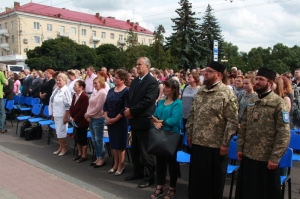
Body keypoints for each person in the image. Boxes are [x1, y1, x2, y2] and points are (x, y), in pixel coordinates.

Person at [235, 67, 290, 199]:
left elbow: (283, 133)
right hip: (249, 155)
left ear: (270, 83)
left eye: (261, 79)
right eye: (257, 79)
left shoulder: (279, 103)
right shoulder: (251, 101)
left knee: (265, 193)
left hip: (267, 159)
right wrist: (239, 146)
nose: (257, 82)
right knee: (247, 192)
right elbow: (244, 127)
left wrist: (275, 157)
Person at [186, 61, 238, 199]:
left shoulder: (227, 93)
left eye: (209, 71)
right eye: (205, 71)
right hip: (198, 143)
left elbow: (232, 120)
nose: (205, 73)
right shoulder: (201, 91)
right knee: (197, 181)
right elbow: (192, 113)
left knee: (213, 183)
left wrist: (225, 143)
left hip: (216, 146)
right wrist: (190, 132)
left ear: (218, 75)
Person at [124, 57, 158, 188]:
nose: (137, 67)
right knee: (135, 149)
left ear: (147, 66)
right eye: (136, 64)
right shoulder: (135, 81)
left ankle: (149, 176)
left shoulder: (152, 82)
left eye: (139, 65)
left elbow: (147, 101)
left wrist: (131, 111)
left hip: (143, 120)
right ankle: (137, 171)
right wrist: (127, 109)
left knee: (146, 151)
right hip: (133, 120)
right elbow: (129, 97)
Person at [150, 79, 182, 199]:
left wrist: (161, 122)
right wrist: (155, 123)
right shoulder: (161, 102)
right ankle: (160, 185)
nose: (165, 89)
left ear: (174, 89)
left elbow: (174, 119)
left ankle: (172, 187)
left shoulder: (177, 103)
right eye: (164, 87)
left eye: (167, 87)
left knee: (171, 162)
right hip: (160, 134)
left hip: (171, 135)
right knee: (160, 161)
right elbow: (155, 116)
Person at [103, 69, 129, 176]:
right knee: (114, 143)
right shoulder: (111, 90)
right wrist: (106, 117)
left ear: (123, 80)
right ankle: (115, 164)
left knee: (120, 144)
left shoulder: (126, 91)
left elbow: (125, 108)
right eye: (114, 77)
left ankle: (121, 165)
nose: (114, 79)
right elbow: (105, 105)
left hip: (120, 121)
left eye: (117, 78)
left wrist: (115, 119)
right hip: (110, 121)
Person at [84, 76, 107, 168]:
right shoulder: (95, 92)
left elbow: (98, 107)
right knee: (94, 139)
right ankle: (98, 157)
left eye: (96, 83)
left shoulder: (102, 93)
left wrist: (88, 115)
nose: (94, 85)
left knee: (98, 139)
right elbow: (90, 105)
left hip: (98, 118)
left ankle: (101, 158)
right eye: (94, 83)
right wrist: (87, 114)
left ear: (101, 83)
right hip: (91, 118)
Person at [49, 73, 72, 156]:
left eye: (60, 80)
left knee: (62, 132)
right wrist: (52, 113)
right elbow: (52, 102)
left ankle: (64, 147)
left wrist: (66, 116)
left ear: (65, 81)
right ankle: (61, 146)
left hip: (63, 115)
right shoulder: (56, 89)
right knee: (58, 132)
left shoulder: (66, 90)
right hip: (56, 113)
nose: (58, 82)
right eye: (57, 80)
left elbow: (68, 104)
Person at [69, 80, 90, 163]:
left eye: (75, 85)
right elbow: (72, 107)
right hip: (75, 120)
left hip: (82, 121)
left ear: (81, 87)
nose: (74, 87)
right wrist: (71, 116)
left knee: (82, 138)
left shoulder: (84, 97)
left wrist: (75, 118)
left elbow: (83, 110)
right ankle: (79, 153)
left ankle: (84, 155)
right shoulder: (75, 95)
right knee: (76, 138)